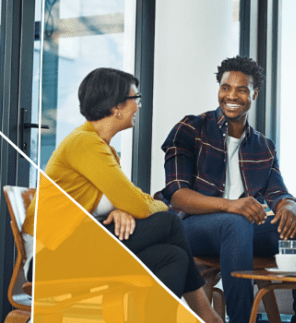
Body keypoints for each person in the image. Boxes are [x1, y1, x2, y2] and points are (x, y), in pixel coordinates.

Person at [22, 68, 222, 323]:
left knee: (175, 257)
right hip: (51, 261)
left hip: (81, 249)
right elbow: (139, 203)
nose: (138, 105)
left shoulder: (103, 148)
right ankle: (206, 315)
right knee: (170, 222)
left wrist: (121, 209)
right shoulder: (85, 144)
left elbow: (129, 201)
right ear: (116, 106)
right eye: (135, 98)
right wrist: (149, 205)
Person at [161, 56, 296, 323]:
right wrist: (231, 206)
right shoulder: (190, 128)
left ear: (254, 94)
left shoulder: (263, 146)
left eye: (241, 89)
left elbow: (278, 193)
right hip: (191, 228)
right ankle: (241, 319)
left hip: (242, 231)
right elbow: (178, 195)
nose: (231, 95)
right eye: (226, 88)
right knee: (236, 221)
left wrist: (290, 206)